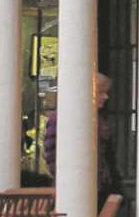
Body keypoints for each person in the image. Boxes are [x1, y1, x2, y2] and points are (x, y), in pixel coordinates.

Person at [44, 73, 124, 206]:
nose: (105, 97)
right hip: (74, 187)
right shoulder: (60, 118)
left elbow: (109, 157)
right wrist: (68, 179)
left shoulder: (100, 122)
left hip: (101, 188)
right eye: (101, 92)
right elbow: (51, 153)